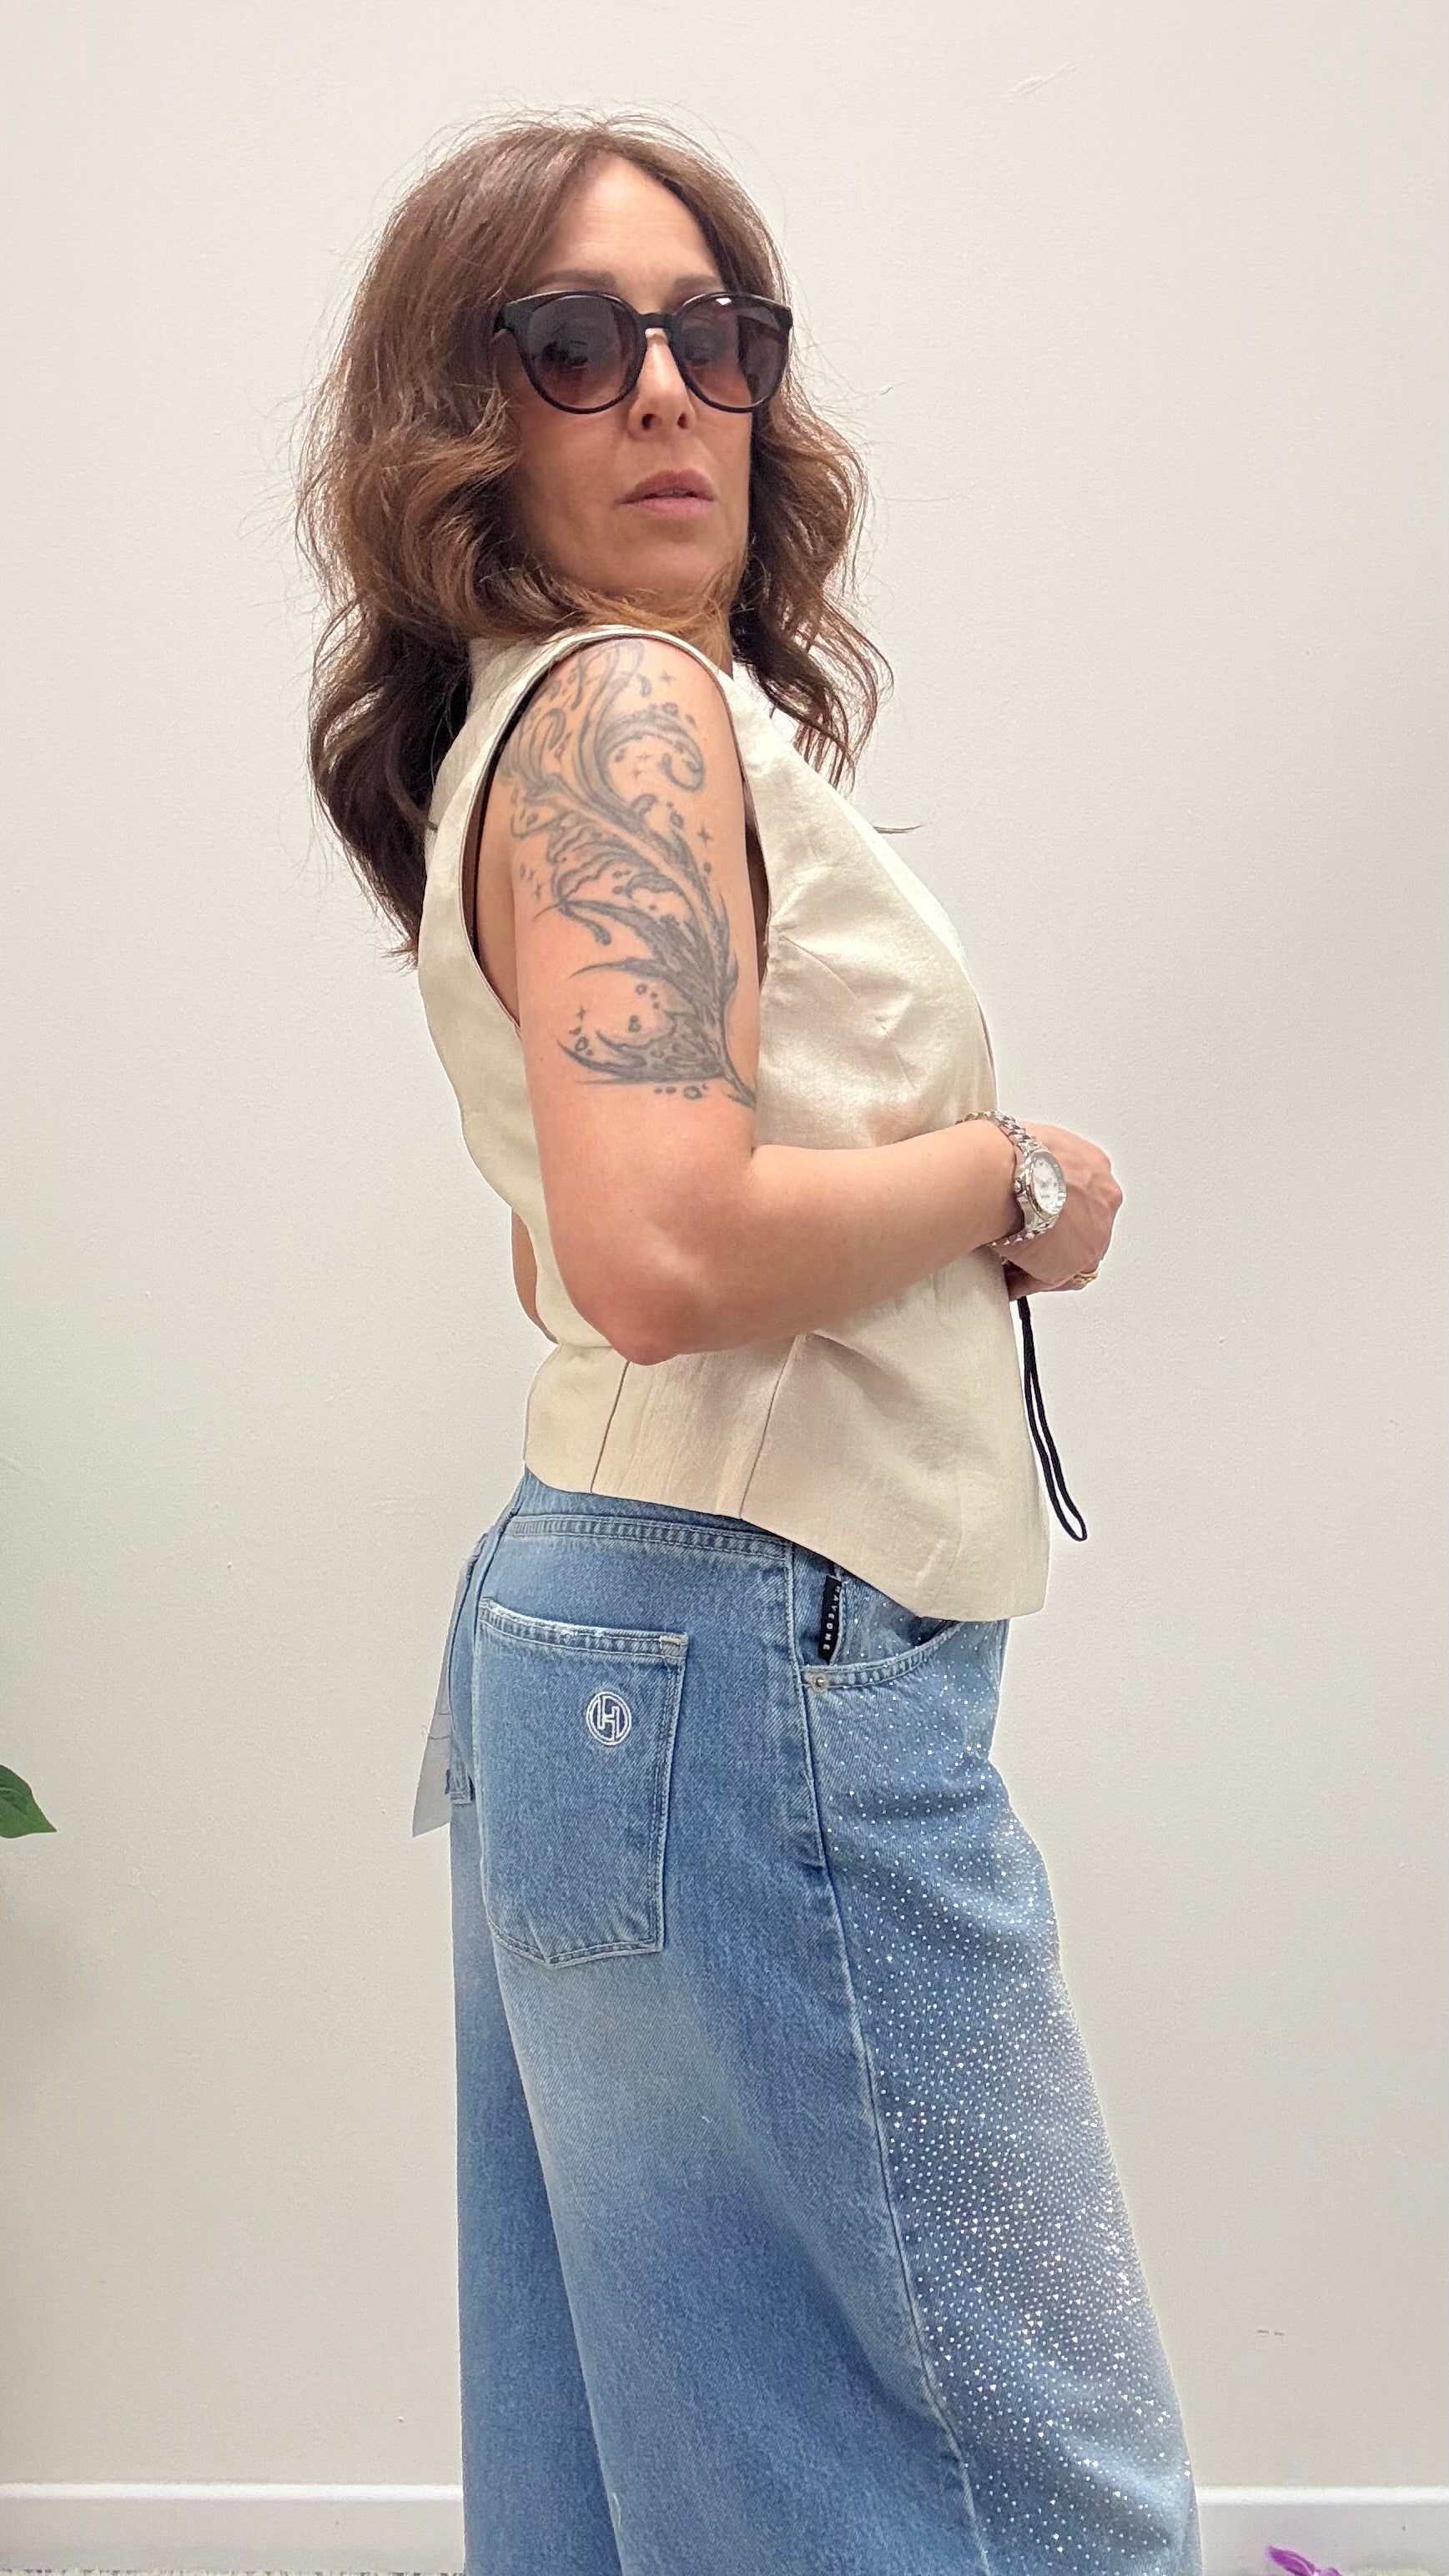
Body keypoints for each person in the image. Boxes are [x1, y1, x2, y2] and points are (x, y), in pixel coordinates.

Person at [297, 106, 1202, 2576]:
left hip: (627, 1633)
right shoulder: (625, 715)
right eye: (574, 343)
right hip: (752, 1642)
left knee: (670, 2482)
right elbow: (662, 1253)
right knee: (1030, 2495)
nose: (670, 390)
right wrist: (1008, 1180)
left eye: (716, 333)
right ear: (460, 417)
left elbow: (567, 1246)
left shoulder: (547, 719)